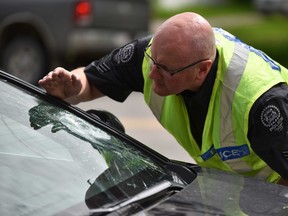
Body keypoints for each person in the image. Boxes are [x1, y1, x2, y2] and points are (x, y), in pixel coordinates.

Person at [39, 12, 288, 186]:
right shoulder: (153, 54)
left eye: (165, 69)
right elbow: (91, 79)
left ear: (202, 69)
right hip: (228, 193)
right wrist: (73, 87)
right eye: (152, 60)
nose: (151, 73)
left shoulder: (263, 104)